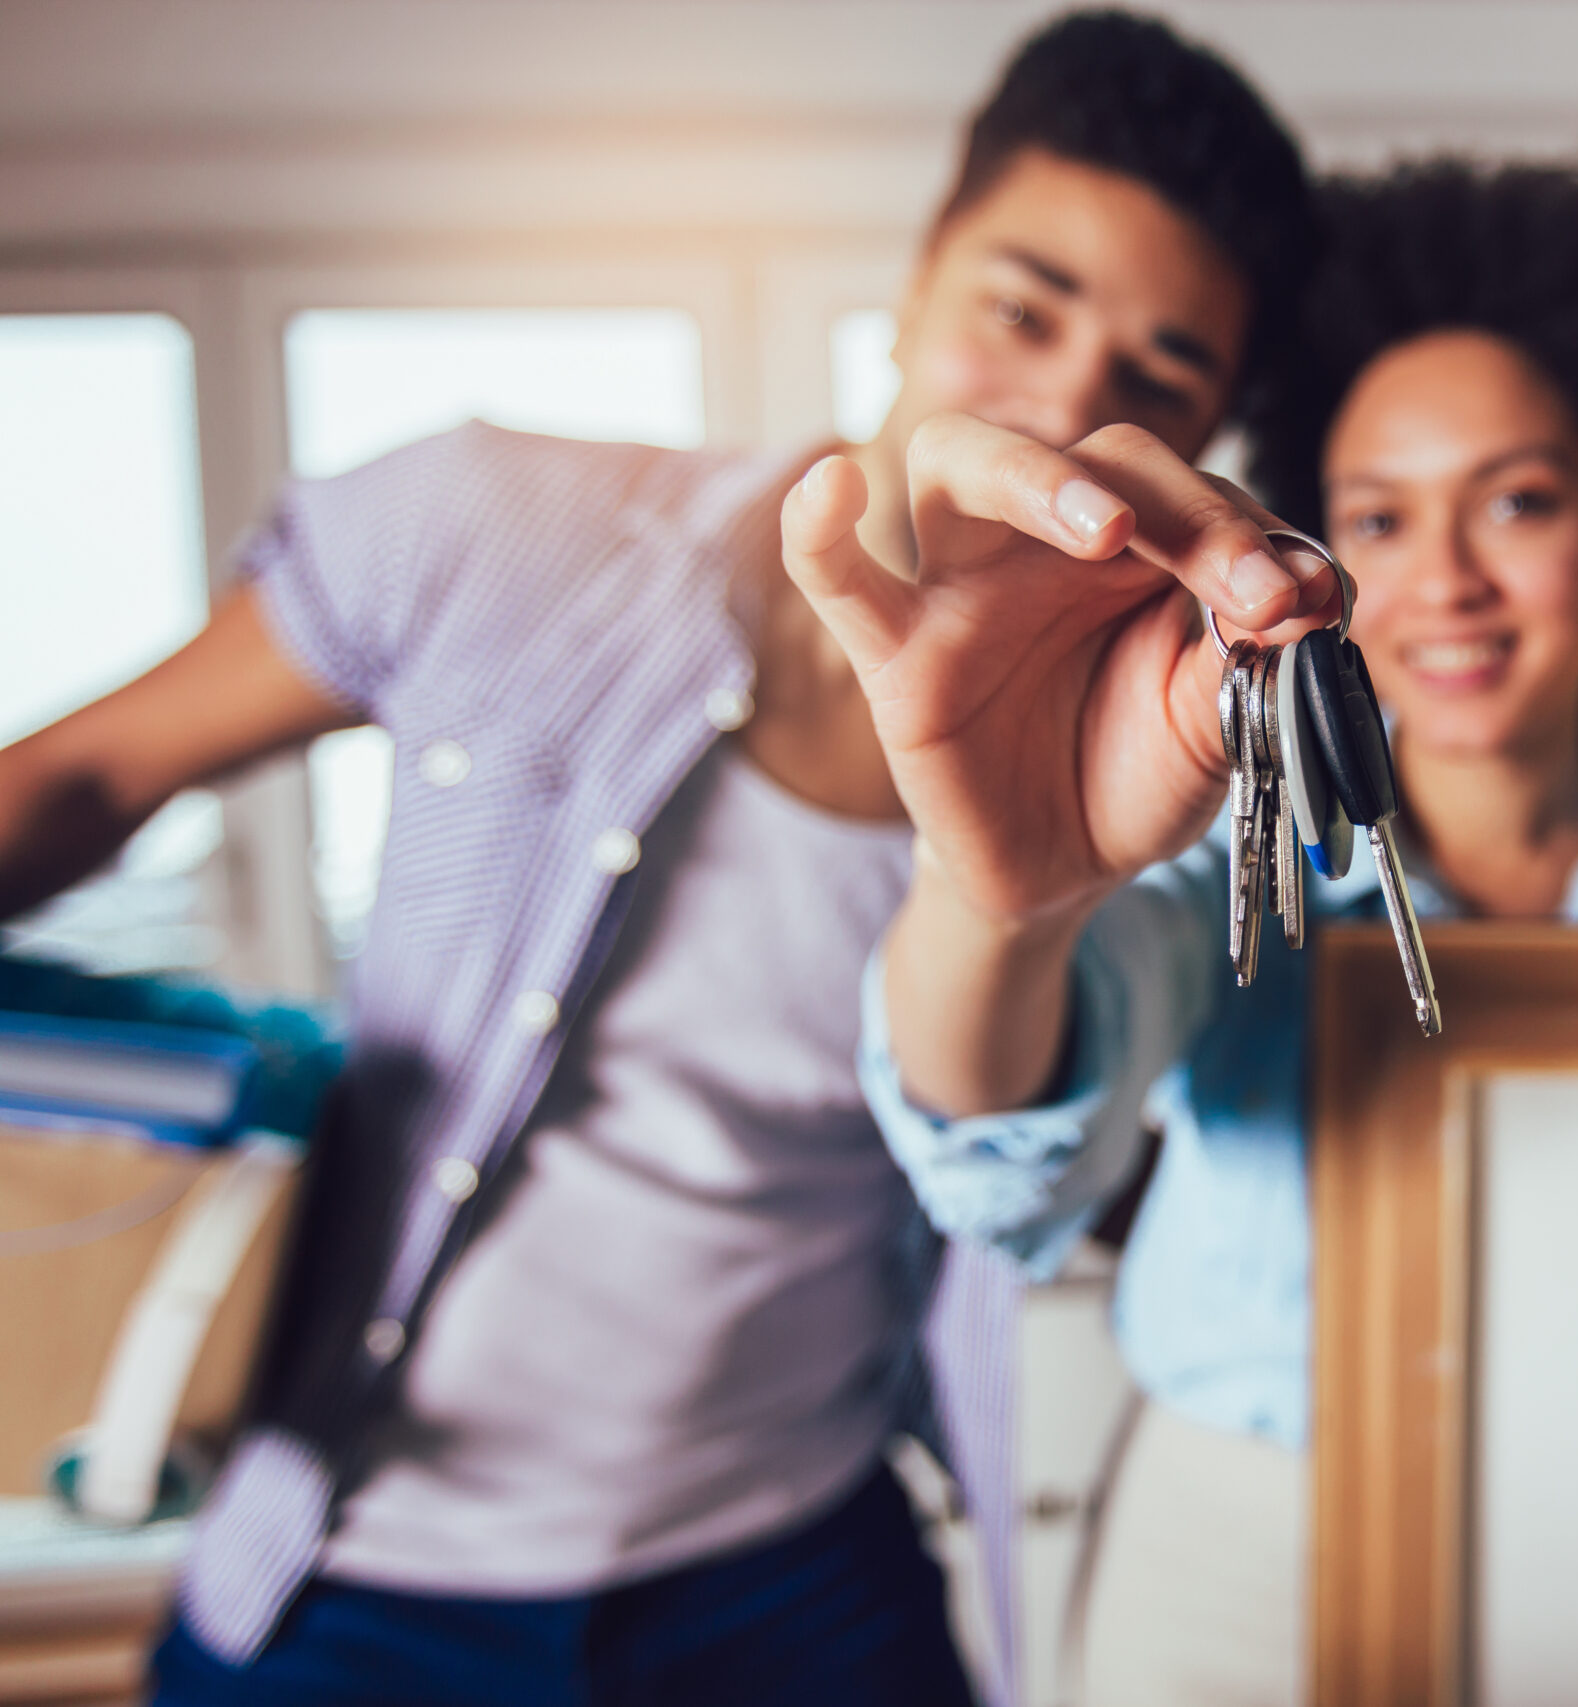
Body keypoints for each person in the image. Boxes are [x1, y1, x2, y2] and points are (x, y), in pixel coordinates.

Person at [0, 12, 1314, 1703]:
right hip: (349, 1579)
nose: (1069, 401)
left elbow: (1021, 1162)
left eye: (1158, 377)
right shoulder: (496, 531)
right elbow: (91, 771)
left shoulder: (1158, 775)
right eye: (1022, 305)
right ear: (916, 284)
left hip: (796, 1587)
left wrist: (1023, 887)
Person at [786, 157, 1578, 1704]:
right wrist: (1004, 899)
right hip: (1237, 1543)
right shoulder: (1229, 854)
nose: (1449, 581)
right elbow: (996, 1156)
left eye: (1522, 500)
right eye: (1381, 517)